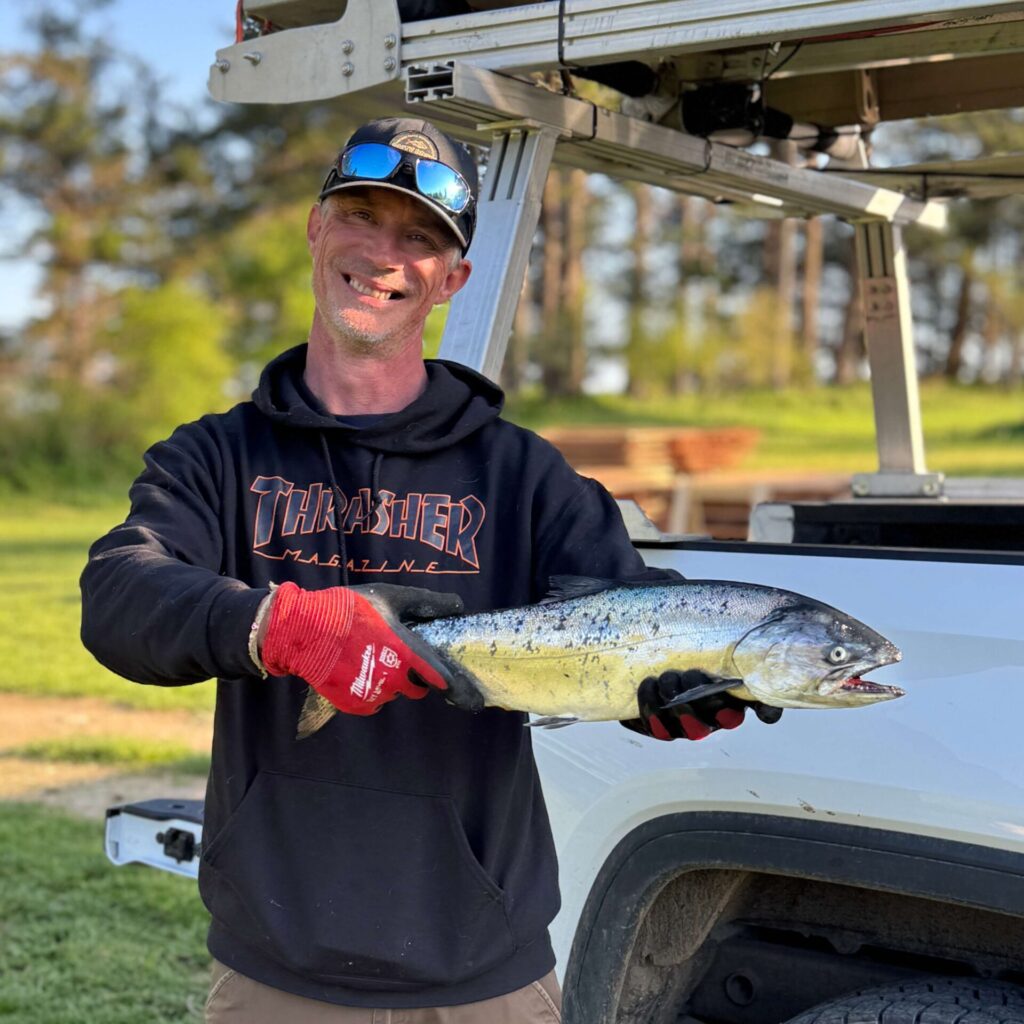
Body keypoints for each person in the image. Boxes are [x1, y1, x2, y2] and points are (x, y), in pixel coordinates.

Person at [80, 116, 778, 1023]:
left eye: (419, 238)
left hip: (483, 968)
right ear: (315, 228)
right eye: (361, 216)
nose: (383, 254)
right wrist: (281, 627)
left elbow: (627, 620)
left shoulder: (528, 477)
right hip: (275, 969)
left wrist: (679, 692)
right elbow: (119, 594)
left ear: (453, 279)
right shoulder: (216, 458)